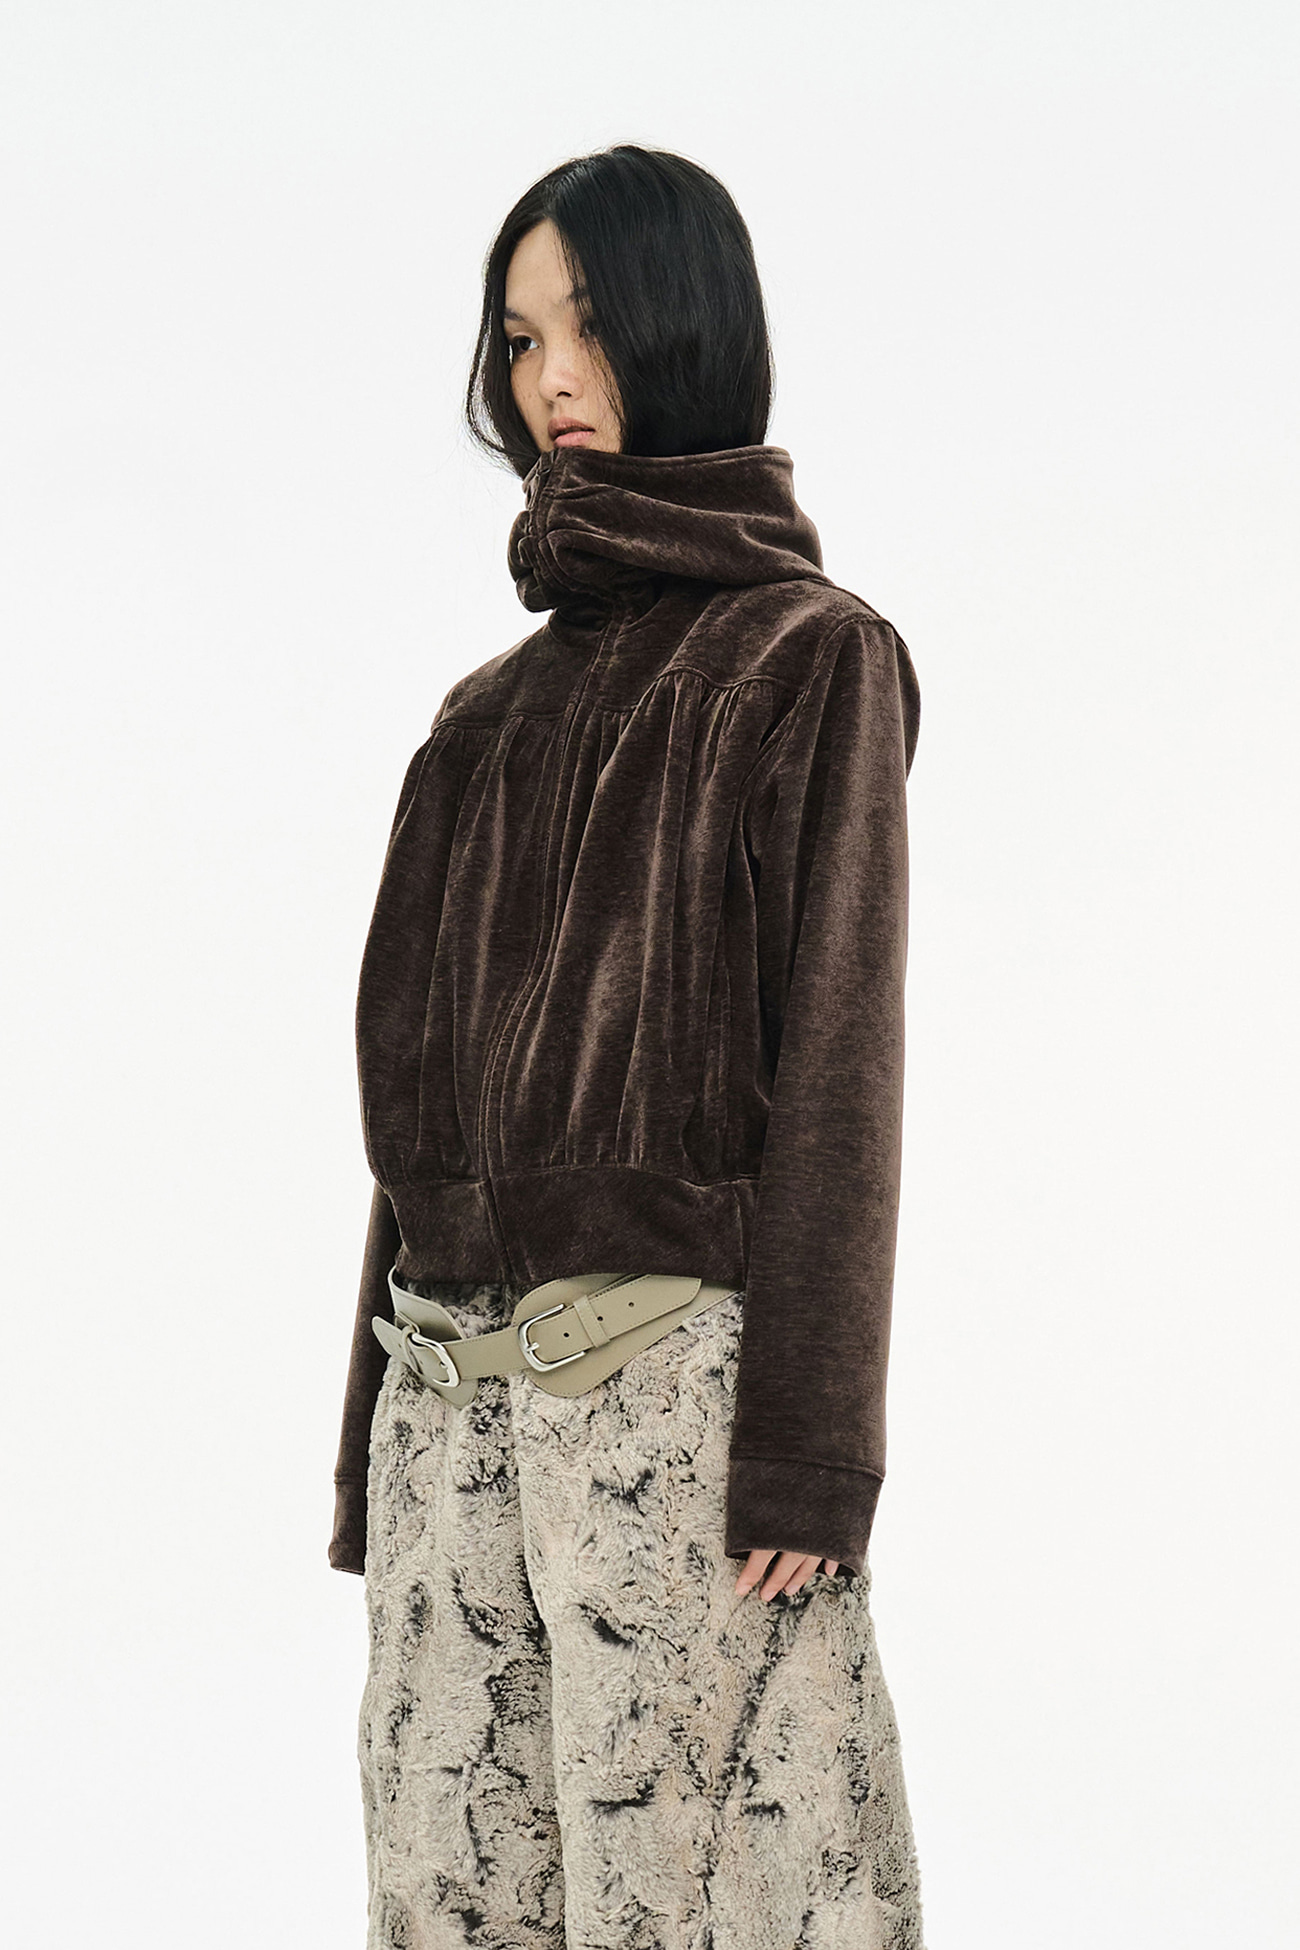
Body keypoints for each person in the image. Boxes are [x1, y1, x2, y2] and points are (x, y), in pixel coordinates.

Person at [329, 142, 926, 1950]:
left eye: (587, 323)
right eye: (521, 339)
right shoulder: (478, 722)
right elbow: (421, 1124)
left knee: (719, 1910)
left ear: (686, 326)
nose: (552, 378)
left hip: (673, 1426)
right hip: (448, 1427)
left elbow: (841, 1077)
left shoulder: (810, 658)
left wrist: (810, 1455)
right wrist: (367, 1456)